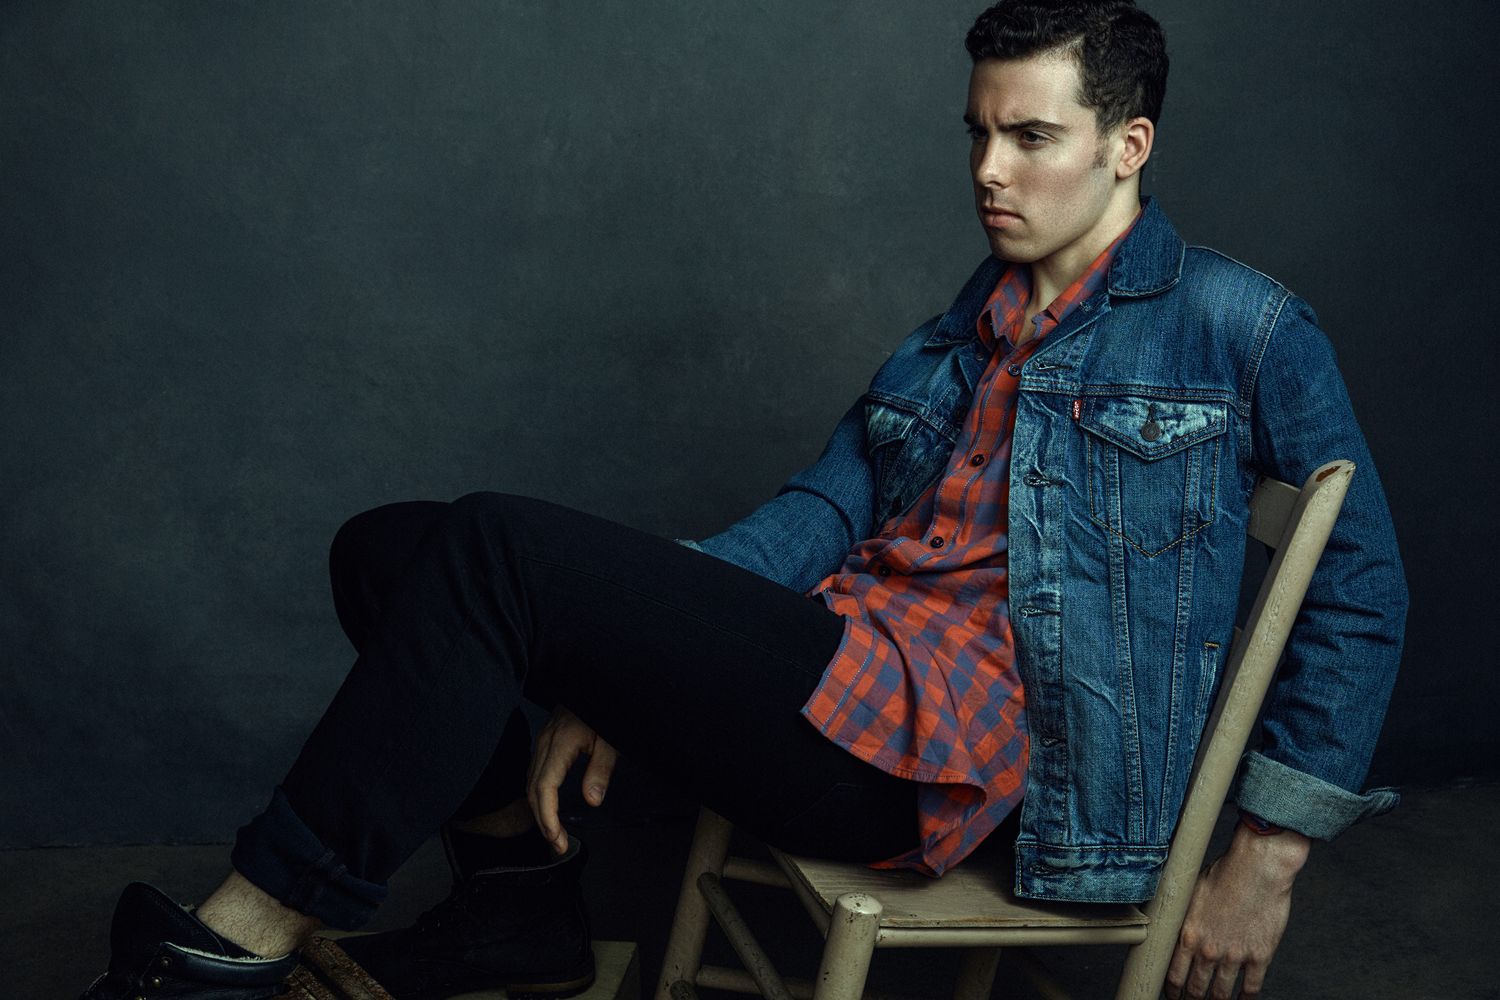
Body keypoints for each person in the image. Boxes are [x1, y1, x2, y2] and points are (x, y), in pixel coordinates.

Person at [81, 2, 1406, 1000]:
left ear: (1129, 146)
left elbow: (1357, 587)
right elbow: (817, 513)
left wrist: (1267, 854)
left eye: (1031, 137)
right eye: (978, 132)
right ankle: (517, 912)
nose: (988, 170)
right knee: (393, 548)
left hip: (940, 767)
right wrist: (607, 644)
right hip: (837, 673)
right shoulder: (957, 335)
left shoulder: (1239, 326)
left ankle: (233, 945)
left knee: (488, 542)